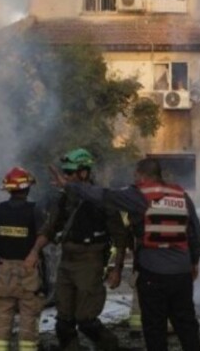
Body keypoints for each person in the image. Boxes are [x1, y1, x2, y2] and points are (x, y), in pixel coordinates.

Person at [53, 158, 200, 351]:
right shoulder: (182, 196)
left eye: (135, 175)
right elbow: (196, 236)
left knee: (154, 327)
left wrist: (69, 186)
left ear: (141, 175)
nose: (134, 179)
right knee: (187, 325)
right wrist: (194, 262)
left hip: (153, 274)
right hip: (181, 274)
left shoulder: (138, 195)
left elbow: (102, 195)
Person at [29, 148, 128, 351]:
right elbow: (50, 229)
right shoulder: (63, 199)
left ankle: (111, 347)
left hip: (90, 261)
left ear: (83, 173)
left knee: (86, 320)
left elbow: (121, 238)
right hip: (67, 261)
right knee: (63, 322)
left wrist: (117, 269)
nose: (65, 176)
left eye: (70, 172)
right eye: (64, 172)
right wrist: (33, 252)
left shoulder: (103, 199)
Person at [0, 167, 46, 351]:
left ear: (9, 189)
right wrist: (34, 252)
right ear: (27, 189)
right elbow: (44, 236)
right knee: (28, 313)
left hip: (4, 270)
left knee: (2, 312)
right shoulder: (35, 211)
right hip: (28, 269)